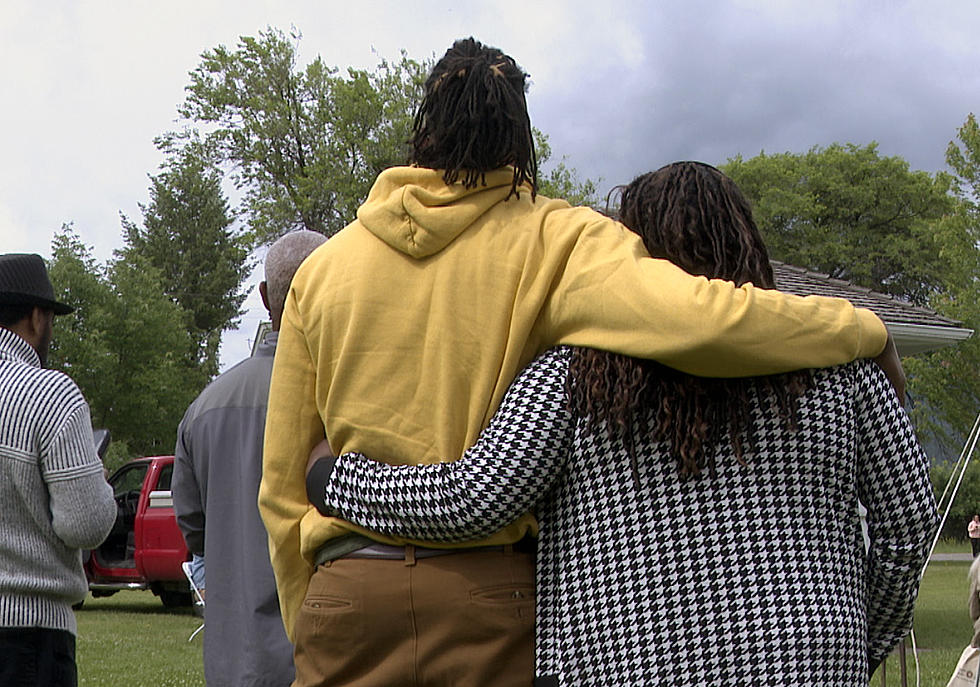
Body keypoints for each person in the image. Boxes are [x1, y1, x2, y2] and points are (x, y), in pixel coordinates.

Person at [259, 39, 897, 686]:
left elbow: (283, 482)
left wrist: (310, 604)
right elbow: (703, 318)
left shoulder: (325, 271)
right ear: (519, 133)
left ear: (424, 124)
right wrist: (861, 327)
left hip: (346, 588)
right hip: (489, 592)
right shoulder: (562, 239)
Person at [173, 230, 326, 687]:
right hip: (321, 655)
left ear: (264, 297)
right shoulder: (342, 402)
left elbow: (195, 530)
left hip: (235, 661)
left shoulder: (204, 409)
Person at [0, 253, 116, 687]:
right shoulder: (50, 395)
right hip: (30, 635)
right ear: (35, 317)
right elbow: (85, 525)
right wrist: (98, 485)